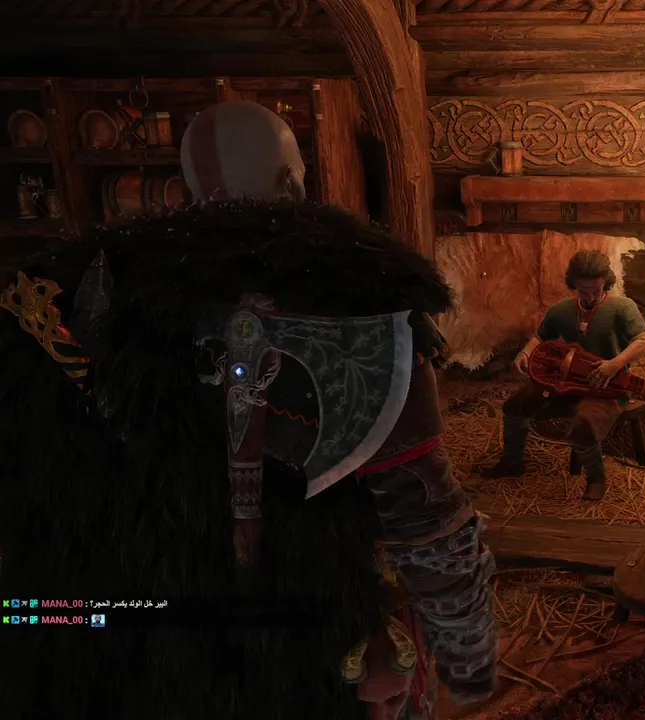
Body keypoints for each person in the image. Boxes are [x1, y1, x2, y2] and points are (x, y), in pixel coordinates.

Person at [0, 102, 494, 720]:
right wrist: (469, 656)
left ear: (186, 190)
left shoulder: (60, 292)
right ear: (292, 181)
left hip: (108, 646)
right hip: (296, 654)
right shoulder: (358, 305)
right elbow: (428, 525)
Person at [480, 250, 645, 501]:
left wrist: (614, 364)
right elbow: (541, 337)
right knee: (515, 405)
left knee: (584, 425)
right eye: (583, 290)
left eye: (596, 290)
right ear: (574, 284)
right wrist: (524, 353)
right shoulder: (561, 310)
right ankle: (512, 462)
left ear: (606, 282)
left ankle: (596, 479)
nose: (590, 297)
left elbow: (644, 340)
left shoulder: (623, 307)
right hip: (565, 382)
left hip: (605, 387)